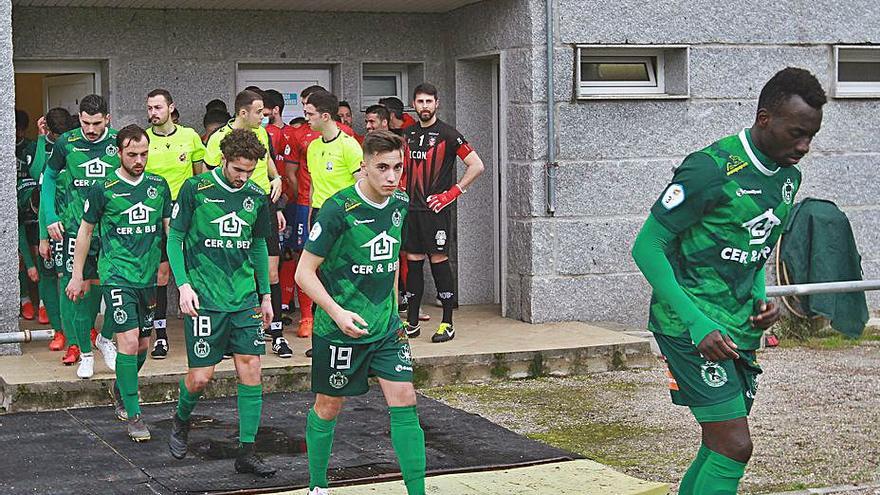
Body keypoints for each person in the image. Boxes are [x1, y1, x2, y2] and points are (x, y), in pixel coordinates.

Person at [631, 67, 826, 494]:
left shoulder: (789, 177)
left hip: (738, 329)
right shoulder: (710, 168)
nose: (804, 146)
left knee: (719, 445)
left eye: (811, 135)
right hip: (691, 325)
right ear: (764, 119)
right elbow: (647, 247)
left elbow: (755, 252)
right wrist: (696, 323)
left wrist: (762, 300)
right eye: (796, 133)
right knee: (735, 444)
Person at [296, 130, 425, 495]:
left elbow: (391, 266)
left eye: (397, 167)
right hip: (340, 330)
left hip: (386, 328)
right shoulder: (338, 209)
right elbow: (304, 273)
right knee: (327, 407)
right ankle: (317, 486)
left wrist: (396, 310)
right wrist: (337, 313)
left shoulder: (400, 203)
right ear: (364, 166)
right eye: (382, 167)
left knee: (405, 401)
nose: (391, 176)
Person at [166, 128, 276, 477]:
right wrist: (183, 285)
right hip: (205, 298)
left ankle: (247, 451)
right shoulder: (195, 189)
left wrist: (266, 294)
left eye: (249, 170)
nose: (243, 177)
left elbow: (258, 245)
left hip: (243, 299)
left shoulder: (257, 196)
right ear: (223, 160)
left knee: (251, 369)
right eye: (237, 170)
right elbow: (175, 239)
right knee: (200, 378)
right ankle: (181, 419)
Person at [66, 124, 171, 440]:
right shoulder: (104, 188)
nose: (139, 160)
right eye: (132, 154)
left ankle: (120, 386)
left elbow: (169, 229)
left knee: (142, 345)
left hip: (148, 277)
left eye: (144, 153)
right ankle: (134, 414)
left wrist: (172, 265)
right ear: (119, 152)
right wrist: (77, 274)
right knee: (126, 341)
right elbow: (85, 232)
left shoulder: (158, 185)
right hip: (116, 275)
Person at [204, 89, 291, 358]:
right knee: (237, 271)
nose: (264, 116)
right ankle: (233, 336)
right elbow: (209, 177)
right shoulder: (218, 138)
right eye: (258, 111)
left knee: (271, 272)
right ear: (243, 112)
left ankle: (276, 334)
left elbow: (267, 165)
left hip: (263, 205)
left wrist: (276, 182)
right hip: (231, 210)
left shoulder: (262, 133)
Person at [41, 94, 119, 376]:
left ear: (107, 119)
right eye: (85, 122)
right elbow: (48, 178)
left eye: (96, 123)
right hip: (76, 229)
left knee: (116, 288)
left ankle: (105, 338)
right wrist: (50, 217)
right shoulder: (67, 142)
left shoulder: (118, 142)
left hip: (111, 231)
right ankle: (84, 352)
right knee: (78, 289)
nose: (90, 129)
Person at [402, 83, 484, 343]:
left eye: (429, 101)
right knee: (413, 262)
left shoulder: (448, 134)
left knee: (438, 262)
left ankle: (447, 323)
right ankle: (412, 323)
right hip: (411, 210)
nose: (424, 106)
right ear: (413, 104)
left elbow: (477, 165)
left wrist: (452, 193)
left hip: (435, 211)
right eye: (420, 101)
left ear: (437, 103)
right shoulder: (408, 134)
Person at [144, 89, 207, 359]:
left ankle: (205, 332)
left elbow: (199, 178)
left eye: (158, 107)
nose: (153, 113)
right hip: (154, 213)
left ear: (171, 107)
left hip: (186, 214)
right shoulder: (143, 139)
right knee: (161, 275)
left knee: (195, 272)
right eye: (149, 108)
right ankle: (160, 336)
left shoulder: (190, 136)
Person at [32, 108, 73, 351]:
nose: (59, 140)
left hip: (77, 226)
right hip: (50, 225)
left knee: (80, 280)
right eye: (55, 135)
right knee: (49, 277)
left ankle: (83, 328)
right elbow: (37, 173)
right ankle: (59, 331)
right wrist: (42, 237)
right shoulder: (47, 148)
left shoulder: (76, 150)